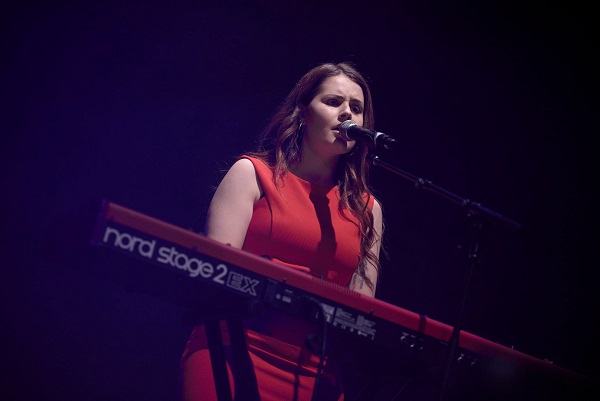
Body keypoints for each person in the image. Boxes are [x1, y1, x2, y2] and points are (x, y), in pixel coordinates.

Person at [179, 62, 384, 401]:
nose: (347, 112)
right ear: (303, 113)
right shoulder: (251, 174)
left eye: (357, 108)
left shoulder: (367, 209)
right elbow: (213, 276)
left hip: (318, 375)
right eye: (333, 102)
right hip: (233, 351)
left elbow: (360, 312)